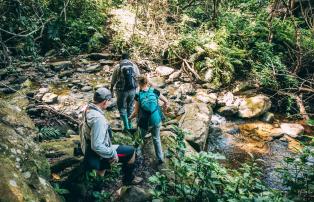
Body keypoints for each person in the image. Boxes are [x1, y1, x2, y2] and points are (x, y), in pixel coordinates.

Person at [80, 87, 142, 185]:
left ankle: (98, 187)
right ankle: (128, 180)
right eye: (109, 100)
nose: (110, 103)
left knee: (101, 171)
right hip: (96, 152)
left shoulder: (87, 108)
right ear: (104, 101)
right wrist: (112, 153)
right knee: (131, 152)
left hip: (88, 147)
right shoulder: (98, 120)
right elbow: (97, 146)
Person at [129, 75, 169, 164]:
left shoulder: (138, 95)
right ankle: (160, 158)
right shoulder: (154, 91)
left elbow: (135, 112)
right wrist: (165, 108)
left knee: (139, 138)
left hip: (144, 123)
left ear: (138, 84)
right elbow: (166, 101)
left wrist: (129, 118)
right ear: (147, 82)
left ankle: (136, 153)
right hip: (156, 120)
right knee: (156, 139)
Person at [110, 53, 140, 131]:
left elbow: (113, 80)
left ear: (121, 58)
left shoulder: (118, 66)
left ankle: (126, 126)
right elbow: (138, 77)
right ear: (129, 58)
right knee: (130, 107)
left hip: (121, 91)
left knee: (122, 108)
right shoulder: (134, 66)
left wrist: (111, 90)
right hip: (132, 90)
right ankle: (130, 124)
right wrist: (137, 89)